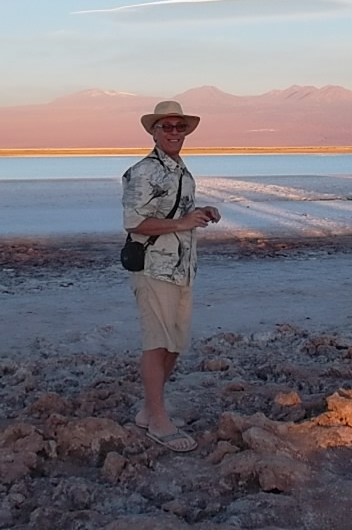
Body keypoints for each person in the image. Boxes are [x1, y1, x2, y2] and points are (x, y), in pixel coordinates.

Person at [121, 100, 220, 453]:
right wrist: (181, 223)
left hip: (182, 267)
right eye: (167, 127)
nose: (174, 133)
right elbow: (135, 222)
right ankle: (159, 421)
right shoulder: (143, 171)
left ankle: (149, 411)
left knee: (175, 344)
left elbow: (175, 211)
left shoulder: (180, 170)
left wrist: (199, 212)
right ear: (154, 131)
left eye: (180, 127)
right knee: (157, 342)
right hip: (153, 268)